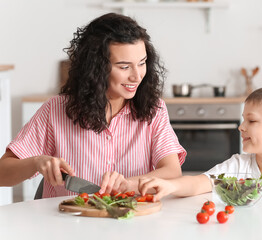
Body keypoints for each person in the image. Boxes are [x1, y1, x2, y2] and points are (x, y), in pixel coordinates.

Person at [0, 13, 186, 198]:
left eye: (142, 63)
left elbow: (172, 171)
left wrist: (128, 184)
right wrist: (36, 162)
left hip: (130, 222)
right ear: (96, 67)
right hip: (65, 224)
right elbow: (2, 174)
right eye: (124, 66)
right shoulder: (55, 110)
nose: (137, 76)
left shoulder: (154, 110)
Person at [139, 86, 262, 202]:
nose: (241, 127)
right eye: (243, 120)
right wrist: (169, 186)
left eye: (252, 121)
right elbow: (199, 183)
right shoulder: (238, 167)